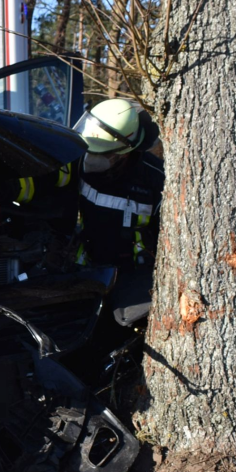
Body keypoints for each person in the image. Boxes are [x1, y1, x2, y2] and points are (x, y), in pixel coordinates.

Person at [73, 98, 165, 325]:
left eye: (101, 154)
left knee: (120, 324)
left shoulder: (155, 181)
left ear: (124, 152)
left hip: (133, 276)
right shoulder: (75, 160)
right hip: (87, 268)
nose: (91, 159)